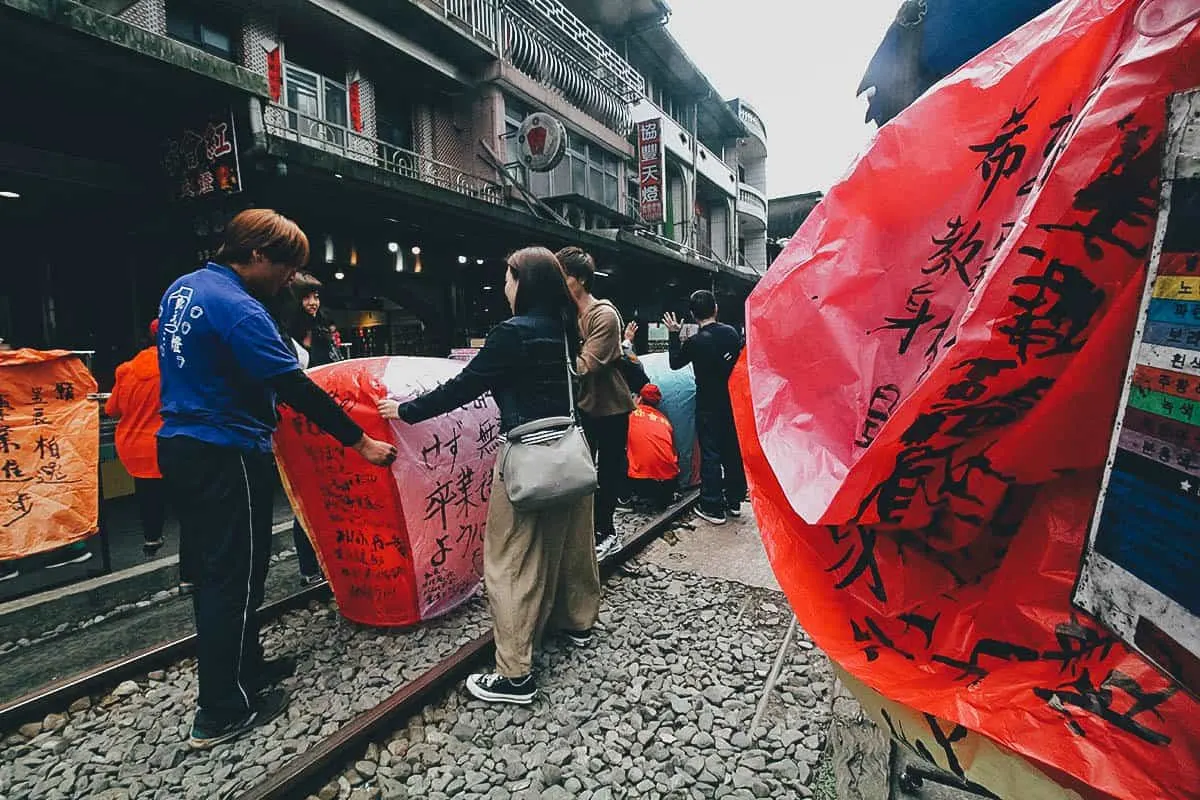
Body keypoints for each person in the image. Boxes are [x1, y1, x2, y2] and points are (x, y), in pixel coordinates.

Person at [156, 208, 397, 749]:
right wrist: (359, 441)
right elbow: (296, 388)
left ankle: (249, 670)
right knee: (233, 578)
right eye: (287, 267)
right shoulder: (242, 310)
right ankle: (222, 709)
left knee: (224, 570)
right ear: (257, 254)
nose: (291, 279)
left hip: (182, 445)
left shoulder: (184, 288)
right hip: (226, 451)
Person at [376, 247, 601, 706]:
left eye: (508, 278)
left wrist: (405, 411)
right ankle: (577, 622)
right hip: (571, 457)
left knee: (510, 561)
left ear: (524, 284)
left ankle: (515, 673)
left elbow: (464, 386)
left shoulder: (511, 334)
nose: (504, 287)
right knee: (570, 547)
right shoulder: (562, 329)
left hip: (527, 460)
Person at [555, 247, 634, 559]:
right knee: (580, 471)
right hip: (581, 407)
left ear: (582, 280)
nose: (560, 283)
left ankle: (606, 531)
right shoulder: (566, 313)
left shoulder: (603, 314)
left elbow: (583, 365)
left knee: (607, 471)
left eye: (565, 277)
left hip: (610, 406)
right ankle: (584, 530)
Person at [663, 290, 746, 525]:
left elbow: (674, 363)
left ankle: (713, 506)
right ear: (716, 308)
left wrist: (673, 334)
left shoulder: (695, 342)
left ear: (692, 314)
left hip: (707, 405)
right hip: (731, 402)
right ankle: (734, 501)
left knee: (711, 453)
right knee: (732, 450)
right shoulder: (731, 333)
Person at [283, 272, 342, 586]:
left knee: (332, 494)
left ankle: (334, 562)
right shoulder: (282, 337)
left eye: (316, 296)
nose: (313, 303)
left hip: (327, 423)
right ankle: (309, 567)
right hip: (295, 426)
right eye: (306, 296)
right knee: (306, 498)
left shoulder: (324, 333)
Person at [106, 319, 172, 558]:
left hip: (133, 445)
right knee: (180, 489)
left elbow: (112, 409)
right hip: (166, 441)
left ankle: (152, 537)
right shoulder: (173, 367)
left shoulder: (127, 370)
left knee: (146, 492)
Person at [626, 384, 679, 509]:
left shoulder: (630, 416)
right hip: (669, 482)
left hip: (640, 481)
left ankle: (624, 499)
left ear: (639, 398)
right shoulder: (665, 421)